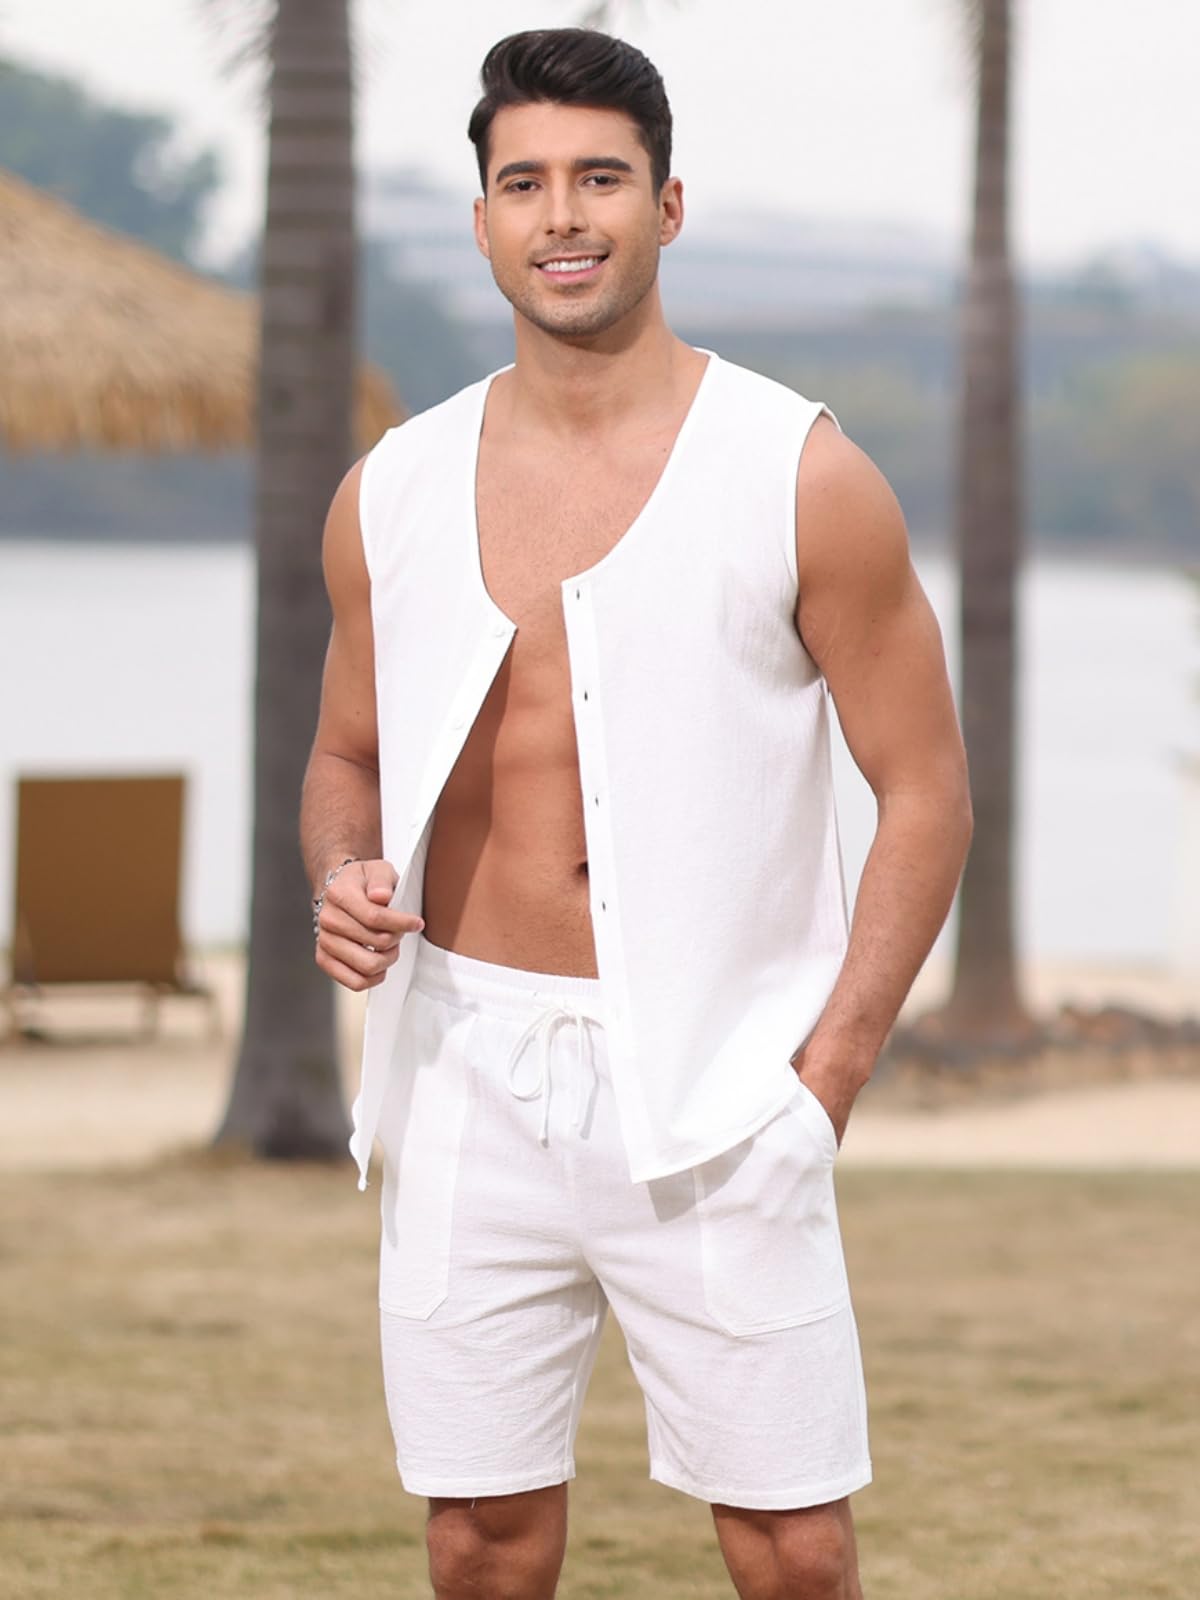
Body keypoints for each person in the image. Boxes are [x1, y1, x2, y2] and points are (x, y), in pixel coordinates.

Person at [302, 26, 972, 1600]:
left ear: (668, 206)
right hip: (464, 1070)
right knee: (477, 1539)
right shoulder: (391, 487)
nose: (563, 216)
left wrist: (827, 1076)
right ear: (481, 221)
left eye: (600, 178)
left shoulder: (799, 474)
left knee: (792, 1547)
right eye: (524, 182)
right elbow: (345, 755)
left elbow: (927, 788)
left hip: (726, 1080)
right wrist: (345, 871)